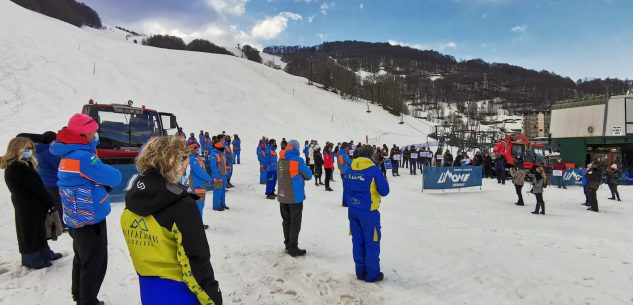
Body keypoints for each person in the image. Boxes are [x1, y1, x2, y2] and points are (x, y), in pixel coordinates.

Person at [122, 136, 223, 305]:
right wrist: (213, 299)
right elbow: (195, 262)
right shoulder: (182, 206)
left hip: (149, 290)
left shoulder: (132, 201)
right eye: (184, 164)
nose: (185, 170)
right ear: (172, 162)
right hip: (180, 293)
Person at [51, 113, 122, 305]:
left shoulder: (68, 154)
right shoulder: (82, 158)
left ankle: (79, 295)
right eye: (94, 132)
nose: (96, 135)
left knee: (82, 258)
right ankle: (88, 301)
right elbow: (115, 177)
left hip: (77, 216)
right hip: (91, 218)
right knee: (95, 263)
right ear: (84, 135)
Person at [2, 137, 63, 269]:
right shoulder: (17, 167)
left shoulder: (24, 164)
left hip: (33, 203)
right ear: (17, 148)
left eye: (31, 148)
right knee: (30, 231)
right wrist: (49, 200)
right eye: (27, 148)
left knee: (39, 229)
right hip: (27, 205)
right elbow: (36, 187)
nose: (30, 151)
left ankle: (45, 254)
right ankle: (33, 260)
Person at [344, 145, 389, 282]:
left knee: (357, 241)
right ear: (371, 155)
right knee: (372, 242)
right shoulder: (374, 170)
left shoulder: (350, 168)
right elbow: (385, 191)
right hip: (368, 212)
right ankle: (372, 274)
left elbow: (346, 187)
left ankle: (360, 271)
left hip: (353, 210)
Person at [277, 140, 312, 257]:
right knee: (295, 222)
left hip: (282, 195)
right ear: (296, 149)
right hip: (295, 196)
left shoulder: (280, 159)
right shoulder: (297, 160)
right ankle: (293, 247)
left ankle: (288, 244)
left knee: (286, 221)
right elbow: (309, 175)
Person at [35, 131, 65, 229]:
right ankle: (58, 225)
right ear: (53, 141)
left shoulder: (38, 150)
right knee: (58, 205)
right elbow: (59, 166)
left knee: (51, 204)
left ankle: (53, 224)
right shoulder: (49, 153)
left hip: (44, 182)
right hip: (53, 183)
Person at [188, 143, 212, 219]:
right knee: (199, 205)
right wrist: (209, 179)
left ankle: (198, 224)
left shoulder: (197, 158)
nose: (198, 149)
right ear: (191, 149)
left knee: (200, 204)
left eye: (198, 147)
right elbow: (199, 172)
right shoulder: (192, 159)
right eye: (196, 148)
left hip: (199, 184)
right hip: (197, 185)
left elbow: (203, 171)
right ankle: (199, 225)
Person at [210, 139, 228, 211]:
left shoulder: (221, 153)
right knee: (217, 190)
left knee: (222, 190)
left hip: (223, 175)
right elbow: (213, 166)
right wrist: (217, 176)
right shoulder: (214, 154)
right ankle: (216, 206)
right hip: (218, 176)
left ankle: (222, 204)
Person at [337, 143, 353, 207]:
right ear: (344, 147)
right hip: (345, 172)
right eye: (347, 147)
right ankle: (345, 202)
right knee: (346, 187)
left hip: (345, 171)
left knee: (347, 187)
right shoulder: (342, 153)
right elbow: (346, 161)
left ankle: (346, 201)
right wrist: (353, 162)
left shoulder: (343, 153)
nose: (348, 148)